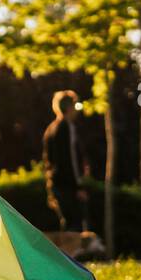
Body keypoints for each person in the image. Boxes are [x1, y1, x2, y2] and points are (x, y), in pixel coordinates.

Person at [43, 90, 90, 233]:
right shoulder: (66, 127)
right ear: (69, 107)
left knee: (68, 222)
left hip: (55, 183)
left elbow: (48, 160)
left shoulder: (50, 129)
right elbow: (70, 160)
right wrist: (78, 187)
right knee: (75, 223)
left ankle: (67, 254)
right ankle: (72, 255)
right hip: (67, 186)